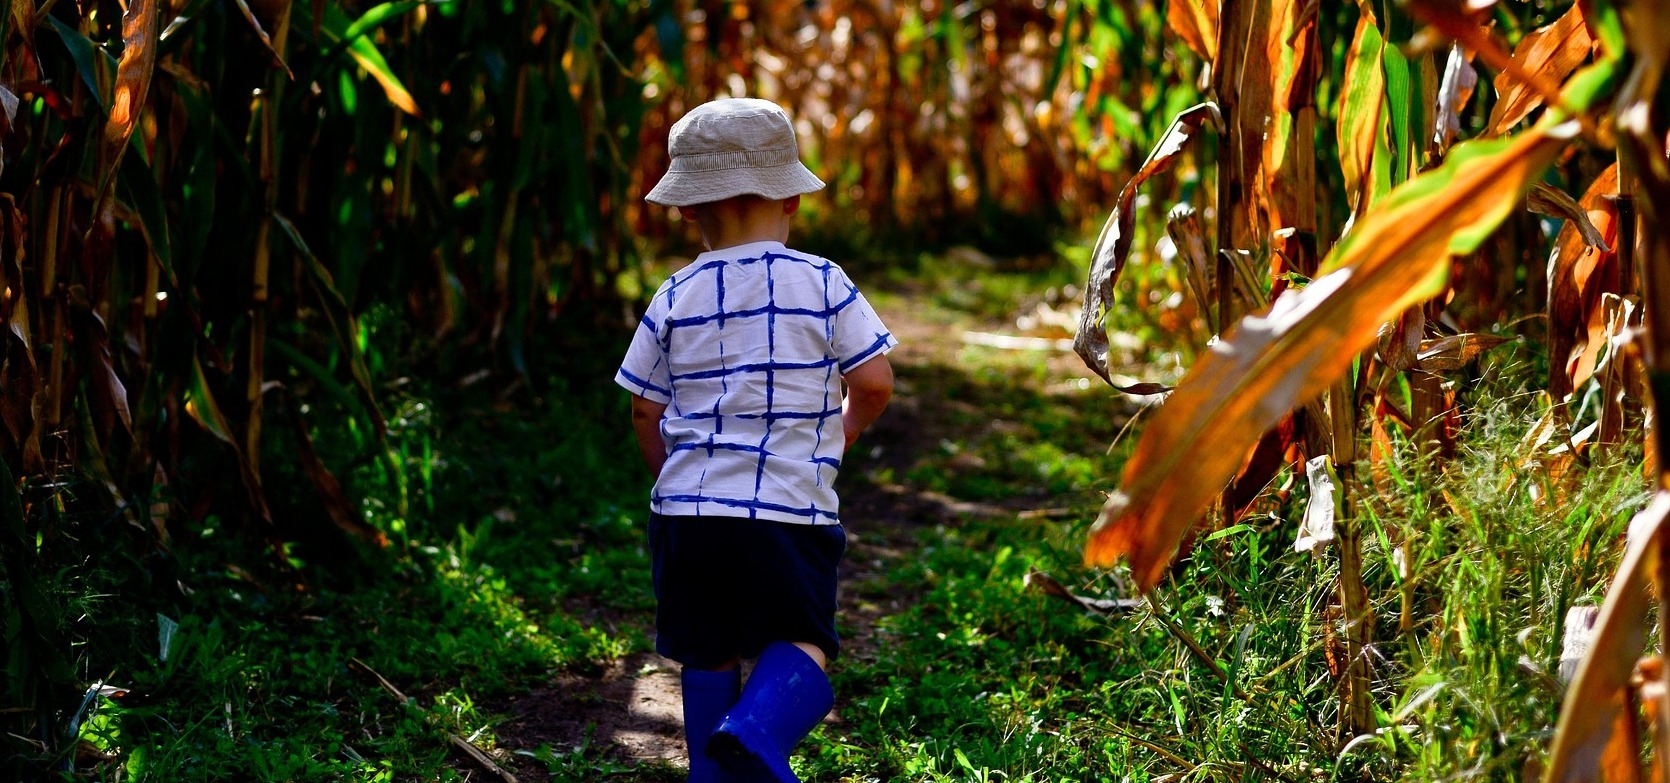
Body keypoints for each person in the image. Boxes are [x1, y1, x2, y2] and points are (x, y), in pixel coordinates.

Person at [615, 97, 896, 783]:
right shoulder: (825, 280)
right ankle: (757, 727)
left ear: (688, 210)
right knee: (803, 636)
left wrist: (669, 480)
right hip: (789, 511)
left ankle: (711, 772)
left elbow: (643, 410)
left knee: (705, 648)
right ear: (792, 200)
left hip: (687, 516)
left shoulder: (673, 292)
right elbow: (878, 380)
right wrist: (847, 427)